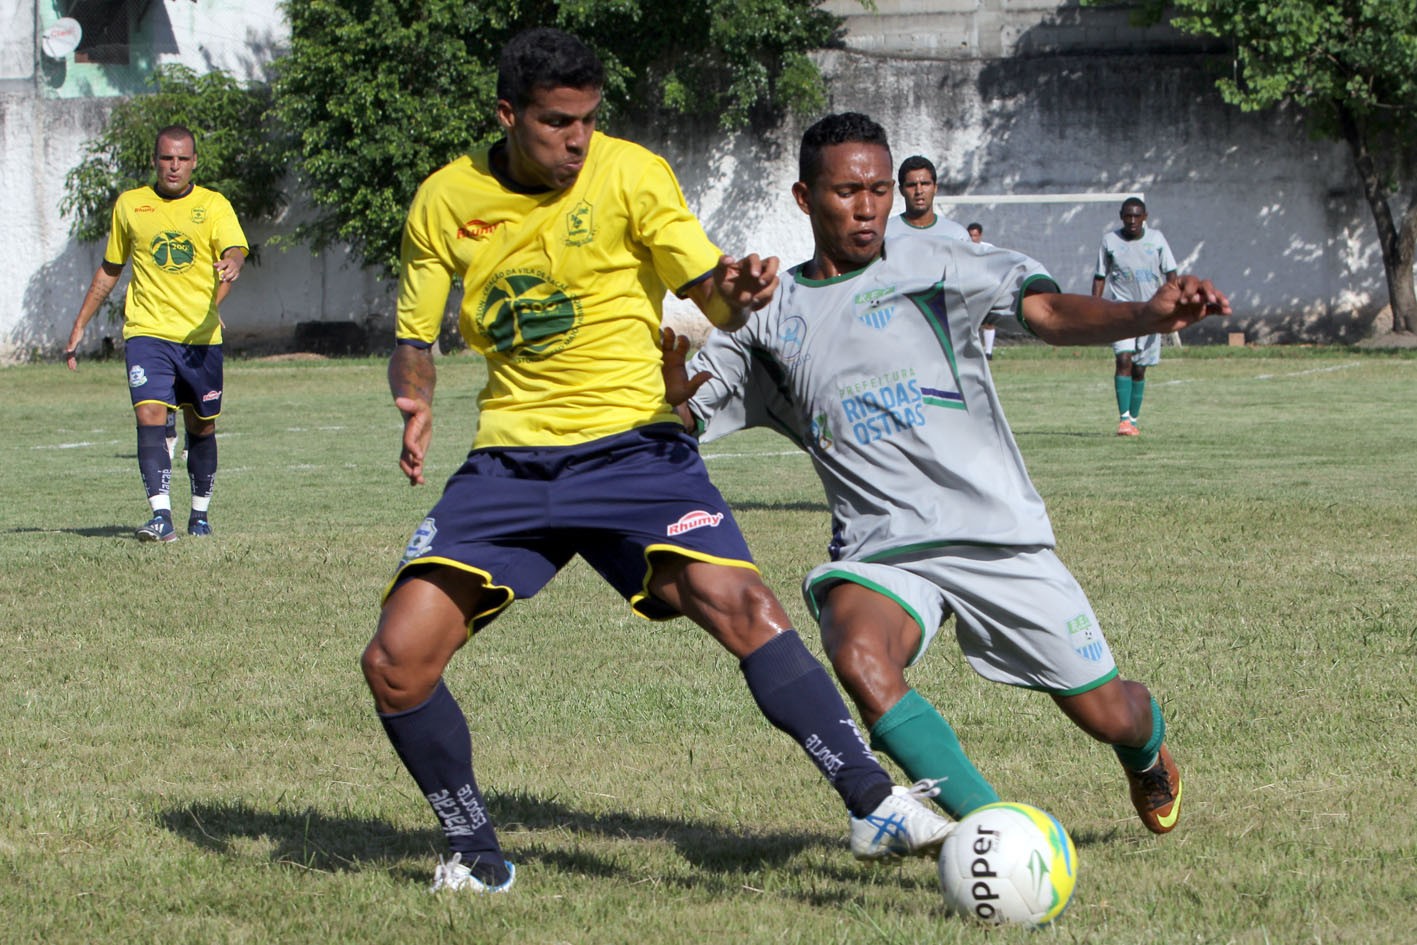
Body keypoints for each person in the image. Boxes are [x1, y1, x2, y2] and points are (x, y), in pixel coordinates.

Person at [361, 29, 952, 897]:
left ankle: (872, 802)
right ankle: (475, 853)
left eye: (589, 121)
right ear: (507, 115)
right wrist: (414, 398)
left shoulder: (630, 173)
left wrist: (736, 291)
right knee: (395, 659)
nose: (577, 141)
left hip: (634, 446)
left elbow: (704, 283)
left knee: (737, 598)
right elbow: (414, 333)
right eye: (557, 123)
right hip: (510, 464)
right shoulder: (444, 201)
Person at [663, 112, 1230, 837]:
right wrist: (665, 389)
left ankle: (1146, 750)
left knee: (1107, 711)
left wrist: (1144, 315)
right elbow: (685, 416)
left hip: (994, 533)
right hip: (882, 546)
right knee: (856, 651)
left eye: (877, 189)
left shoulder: (937, 263)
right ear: (805, 199)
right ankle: (992, 831)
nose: (866, 206)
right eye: (845, 191)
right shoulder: (768, 318)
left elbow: (1049, 311)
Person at [64, 125, 247, 541]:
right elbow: (111, 268)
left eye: (182, 159)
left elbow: (233, 251)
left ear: (194, 162)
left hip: (200, 338)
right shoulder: (131, 206)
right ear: (154, 160)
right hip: (146, 331)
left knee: (201, 427)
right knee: (148, 413)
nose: (174, 166)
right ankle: (160, 517)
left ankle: (199, 516)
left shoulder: (213, 205)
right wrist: (78, 326)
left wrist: (232, 264)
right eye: (167, 158)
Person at [1092, 197, 1178, 436]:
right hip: (1121, 312)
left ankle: (1134, 419)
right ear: (1121, 216)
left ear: (1145, 217)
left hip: (1151, 313)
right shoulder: (1110, 241)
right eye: (1127, 216)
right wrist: (1096, 309)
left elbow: (1171, 274)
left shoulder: (1157, 240)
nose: (1132, 220)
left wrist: (1172, 306)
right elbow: (1100, 277)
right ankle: (1123, 421)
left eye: (1136, 216)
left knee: (1140, 369)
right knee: (1123, 359)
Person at [885, 155, 970, 241]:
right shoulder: (885, 234)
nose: (919, 191)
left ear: (935, 188)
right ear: (901, 190)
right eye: (912, 185)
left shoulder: (957, 236)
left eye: (925, 184)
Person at [964, 223, 997, 357]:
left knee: (988, 321)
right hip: (969, 289)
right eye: (970, 235)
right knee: (972, 321)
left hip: (985, 289)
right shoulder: (962, 249)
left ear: (980, 236)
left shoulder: (988, 248)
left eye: (975, 235)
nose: (973, 238)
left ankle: (988, 352)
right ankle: (976, 351)